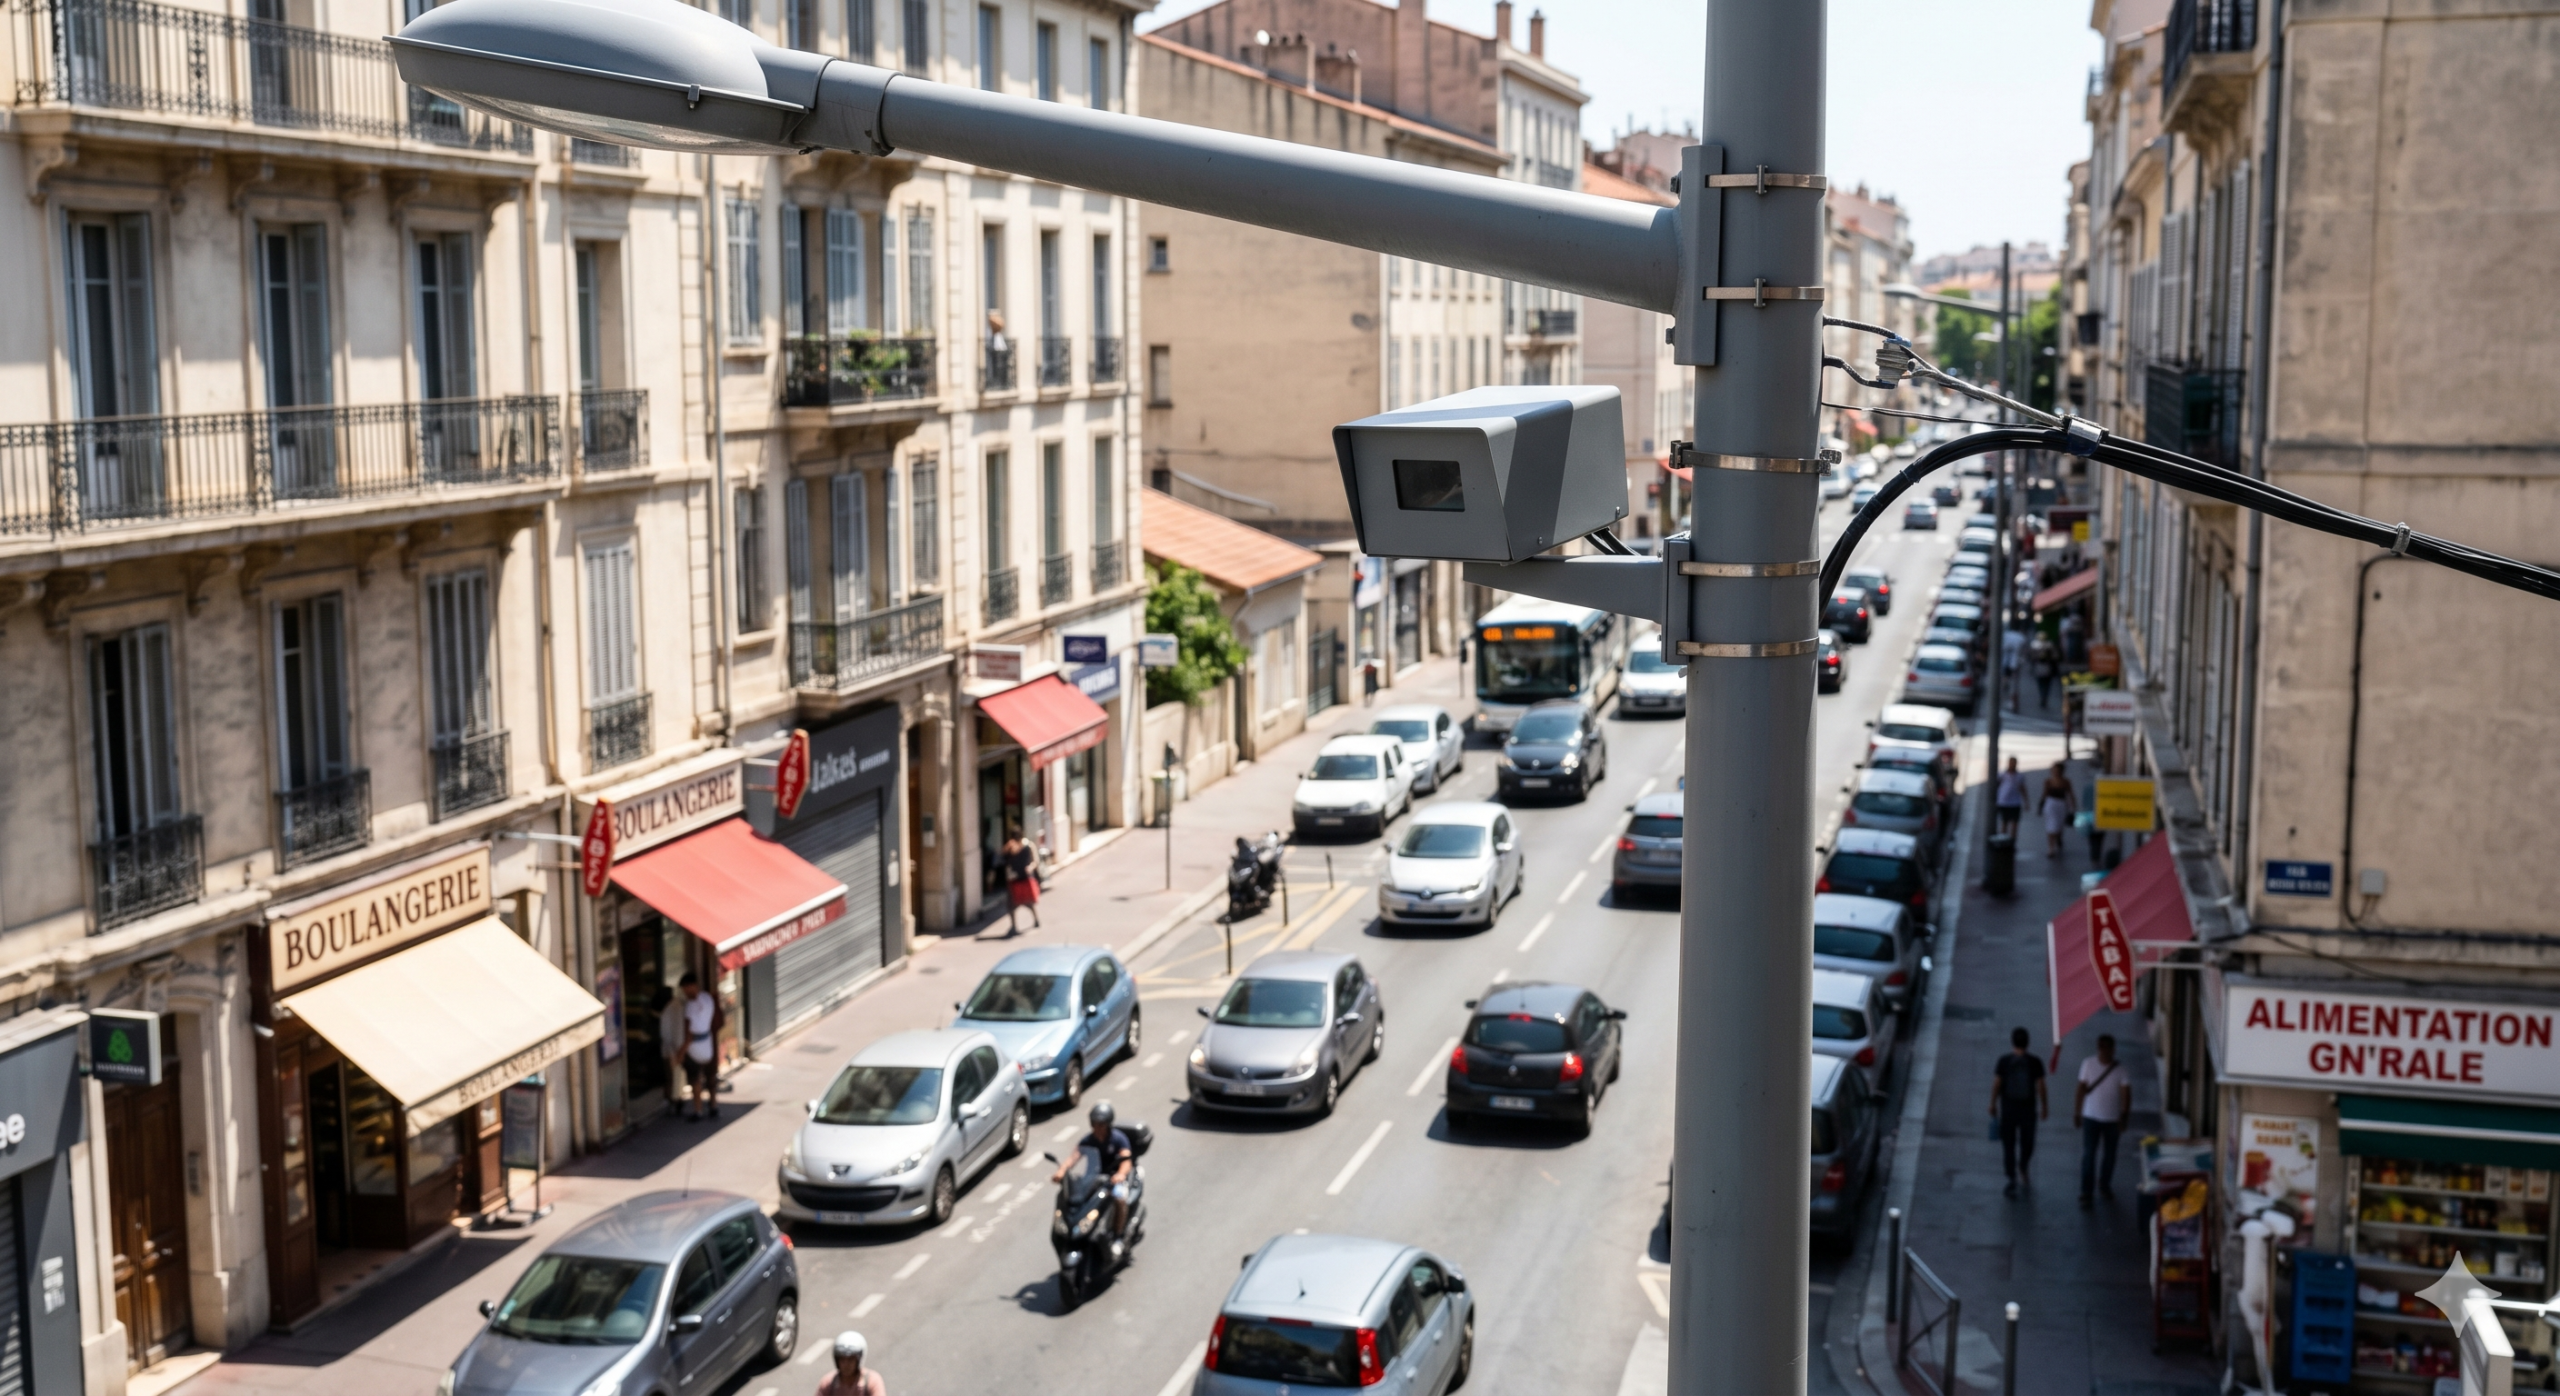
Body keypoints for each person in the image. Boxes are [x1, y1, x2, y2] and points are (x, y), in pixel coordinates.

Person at [1050, 1101, 1135, 1244]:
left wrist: (1120, 1174)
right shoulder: (1088, 1140)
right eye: (1094, 1123)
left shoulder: (1118, 1139)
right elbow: (1073, 1158)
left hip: (1113, 1181)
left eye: (1100, 1124)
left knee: (1119, 1199)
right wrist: (1061, 1171)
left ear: (1108, 1124)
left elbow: (1126, 1160)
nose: (1097, 1127)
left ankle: (1118, 1235)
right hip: (1094, 1180)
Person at [1988, 1026, 2047, 1196]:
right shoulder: (2035, 1062)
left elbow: (1997, 1084)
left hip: (2009, 1109)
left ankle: (2011, 1177)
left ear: (2012, 1042)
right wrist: (2044, 1106)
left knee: (2009, 1144)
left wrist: (1993, 1104)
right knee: (2027, 1143)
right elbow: (2041, 1086)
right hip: (2028, 1110)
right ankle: (2023, 1165)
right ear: (2028, 1042)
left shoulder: (2004, 1061)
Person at [2074, 1034, 2132, 1206]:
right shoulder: (2088, 1064)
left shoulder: (2120, 1070)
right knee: (2089, 1156)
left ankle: (2104, 1185)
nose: (2105, 1050)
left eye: (2107, 1047)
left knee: (2109, 1156)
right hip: (2091, 1117)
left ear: (2113, 1049)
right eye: (2102, 1046)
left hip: (2112, 1119)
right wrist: (2077, 1113)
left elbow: (2126, 1095)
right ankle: (2087, 1191)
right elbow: (2081, 1089)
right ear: (2099, 1048)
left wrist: (2124, 1116)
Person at [677, 972, 723, 1121]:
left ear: (691, 986)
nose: (684, 992)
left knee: (694, 1079)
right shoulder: (707, 998)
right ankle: (714, 1105)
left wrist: (681, 1052)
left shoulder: (690, 1006)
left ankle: (698, 1110)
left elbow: (688, 1034)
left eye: (685, 989)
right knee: (710, 1076)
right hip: (708, 1042)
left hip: (695, 1047)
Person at [818, 1331, 887, 1396]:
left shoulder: (871, 1381)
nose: (846, 1364)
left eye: (850, 1359)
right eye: (842, 1359)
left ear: (858, 1360)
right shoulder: (829, 1383)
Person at [1001, 833, 1041, 934]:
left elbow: (1034, 860)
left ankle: (1036, 919)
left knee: (1028, 902)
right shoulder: (1010, 849)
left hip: (1024, 879)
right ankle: (1014, 926)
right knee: (1011, 905)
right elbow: (1005, 860)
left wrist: (1030, 867)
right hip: (1014, 879)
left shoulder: (1027, 846)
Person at [2040, 762, 2078, 858]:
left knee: (2058, 825)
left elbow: (2071, 794)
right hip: (2051, 804)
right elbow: (2044, 794)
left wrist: (2073, 808)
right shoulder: (2048, 781)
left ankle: (2058, 839)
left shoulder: (2065, 782)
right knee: (2051, 825)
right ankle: (2051, 848)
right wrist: (2041, 805)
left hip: (2061, 805)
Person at [653, 985, 683, 1105]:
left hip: (671, 1048)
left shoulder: (669, 1009)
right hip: (678, 1047)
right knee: (675, 1077)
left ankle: (673, 1099)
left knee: (671, 1077)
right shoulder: (678, 1005)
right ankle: (674, 1098)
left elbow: (666, 1033)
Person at [1993, 756, 2028, 837]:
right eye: (2011, 763)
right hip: (2004, 802)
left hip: (2015, 803)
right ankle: (2003, 841)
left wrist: (2026, 801)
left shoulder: (2019, 776)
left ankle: (2012, 842)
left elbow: (2022, 788)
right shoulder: (2002, 774)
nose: (2012, 765)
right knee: (2004, 822)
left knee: (2014, 824)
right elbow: (1997, 786)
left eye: (2014, 763)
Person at [2031, 635, 2060, 709]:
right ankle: (2044, 698)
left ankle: (2043, 698)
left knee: (2041, 684)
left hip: (2040, 667)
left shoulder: (2035, 645)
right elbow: (2055, 657)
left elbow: (2032, 657)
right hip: (2047, 667)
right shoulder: (2049, 645)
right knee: (2046, 685)